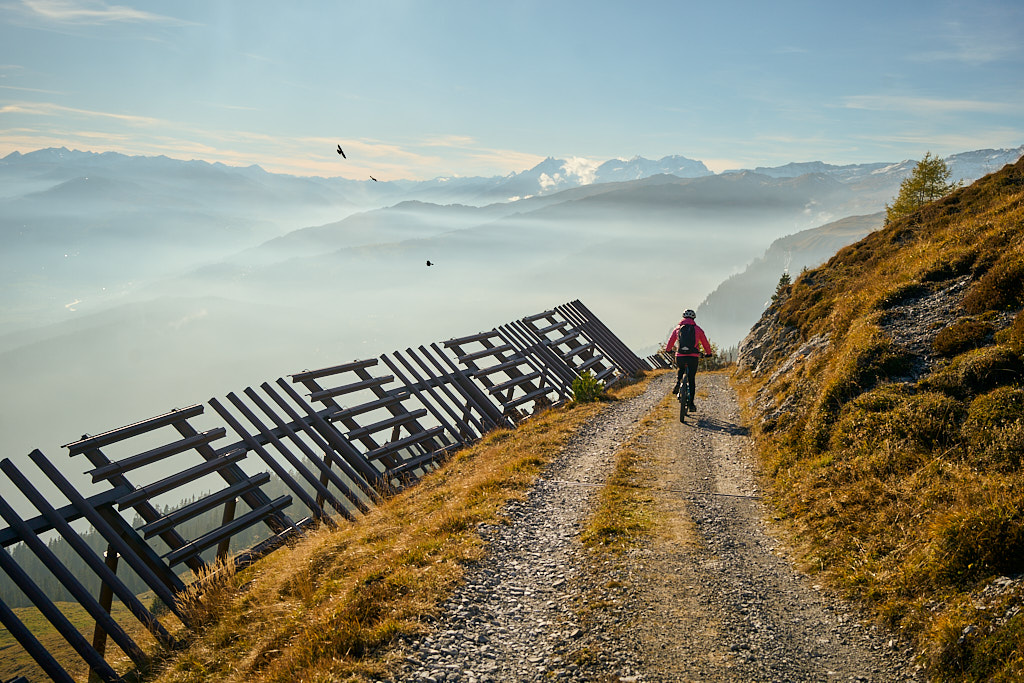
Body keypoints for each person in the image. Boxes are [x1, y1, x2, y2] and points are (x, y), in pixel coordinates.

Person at [665, 309, 713, 411]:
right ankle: (691, 404)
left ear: (683, 317)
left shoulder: (677, 329)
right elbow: (705, 343)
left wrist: (668, 350)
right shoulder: (698, 329)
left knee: (680, 369)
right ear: (693, 318)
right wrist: (708, 353)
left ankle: (678, 382)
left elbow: (670, 341)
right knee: (691, 379)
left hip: (680, 356)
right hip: (693, 357)